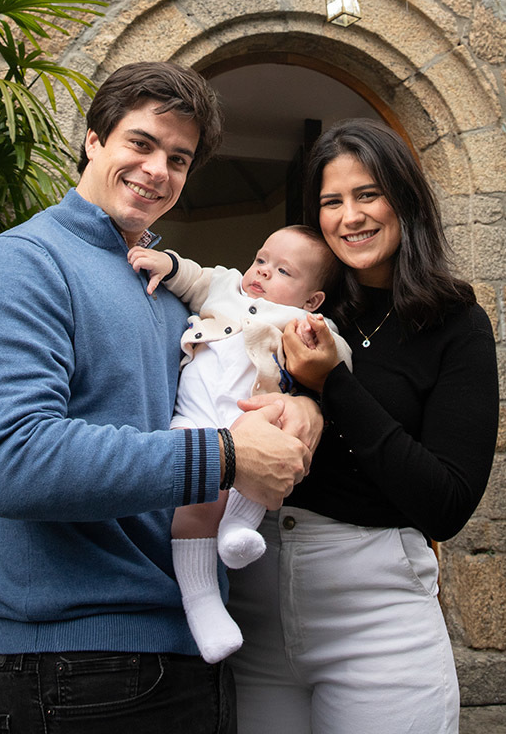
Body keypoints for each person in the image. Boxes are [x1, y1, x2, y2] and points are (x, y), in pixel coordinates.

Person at [0, 61, 323, 734]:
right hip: (73, 666)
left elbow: (230, 381)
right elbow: (13, 463)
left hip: (186, 649)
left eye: (178, 159)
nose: (158, 170)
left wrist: (304, 403)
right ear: (94, 140)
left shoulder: (163, 285)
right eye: (141, 144)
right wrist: (228, 457)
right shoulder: (20, 265)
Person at [227, 119, 500, 734]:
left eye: (367, 194)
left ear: (404, 197)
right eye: (331, 201)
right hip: (255, 605)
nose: (350, 216)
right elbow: (218, 302)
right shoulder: (301, 304)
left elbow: (446, 504)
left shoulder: (455, 324)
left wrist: (335, 386)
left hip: (377, 616)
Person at [129, 226, 352, 663]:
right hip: (193, 420)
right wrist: (167, 263)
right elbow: (193, 277)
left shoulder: (302, 323)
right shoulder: (226, 285)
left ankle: (238, 528)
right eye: (261, 259)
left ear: (312, 301)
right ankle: (202, 602)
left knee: (278, 442)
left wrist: (324, 347)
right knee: (198, 492)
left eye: (282, 270)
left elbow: (340, 360)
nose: (262, 273)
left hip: (252, 419)